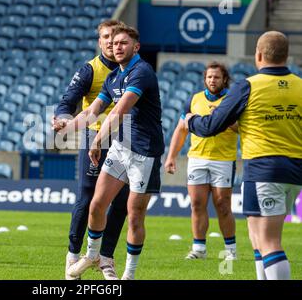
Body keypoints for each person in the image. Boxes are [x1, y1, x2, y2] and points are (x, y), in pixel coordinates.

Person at [186, 31, 302, 280]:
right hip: (294, 170)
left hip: (263, 168)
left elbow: (211, 126)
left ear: (258, 55)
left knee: (270, 241)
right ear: (286, 56)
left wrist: (191, 120)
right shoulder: (301, 86)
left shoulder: (247, 86)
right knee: (257, 236)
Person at [60, 25, 164, 280]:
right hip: (121, 146)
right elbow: (92, 112)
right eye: (114, 43)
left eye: (123, 43)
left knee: (134, 214)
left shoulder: (142, 71)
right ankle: (93, 255)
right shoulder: (113, 77)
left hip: (144, 152)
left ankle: (128, 274)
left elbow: (119, 112)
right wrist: (67, 125)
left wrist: (96, 140)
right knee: (97, 204)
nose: (117, 47)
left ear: (136, 47)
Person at [52, 20, 129, 280]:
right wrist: (63, 118)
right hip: (95, 135)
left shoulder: (132, 70)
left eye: (115, 37)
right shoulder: (89, 70)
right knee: (87, 197)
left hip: (126, 138)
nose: (110, 41)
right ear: (99, 41)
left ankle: (105, 258)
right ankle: (73, 257)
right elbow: (67, 102)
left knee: (121, 202)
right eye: (105, 37)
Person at [164, 62, 238, 260]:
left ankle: (230, 251)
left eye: (217, 77)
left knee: (223, 205)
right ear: (205, 79)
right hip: (196, 159)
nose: (213, 80)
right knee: (197, 204)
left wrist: (224, 119)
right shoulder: (194, 99)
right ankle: (199, 249)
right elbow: (181, 130)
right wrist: (171, 156)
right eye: (209, 77)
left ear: (224, 80)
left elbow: (242, 128)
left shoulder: (232, 100)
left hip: (223, 159)